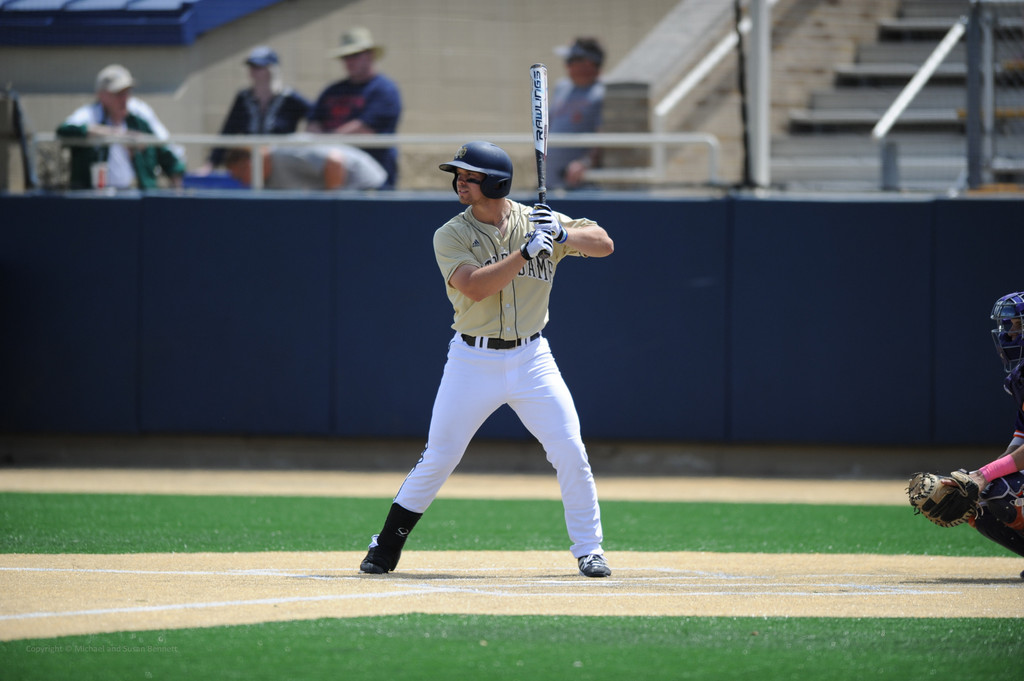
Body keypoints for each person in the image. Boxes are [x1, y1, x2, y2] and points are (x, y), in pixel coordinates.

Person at [358, 141, 615, 578]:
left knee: (570, 449)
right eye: (458, 175)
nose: (460, 182)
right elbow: (474, 286)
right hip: (472, 360)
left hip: (533, 357)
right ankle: (385, 545)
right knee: (440, 455)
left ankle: (589, 550)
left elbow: (605, 244)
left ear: (495, 182)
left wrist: (562, 233)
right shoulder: (451, 233)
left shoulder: (536, 221)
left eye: (470, 176)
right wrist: (525, 252)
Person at [950, 292, 1024, 570]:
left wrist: (984, 475)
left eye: (1016, 325)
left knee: (1005, 491)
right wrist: (975, 482)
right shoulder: (1020, 379)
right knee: (980, 504)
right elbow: (1020, 442)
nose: (1009, 334)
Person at [56, 64, 185, 190]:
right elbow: (64, 130)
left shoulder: (139, 119)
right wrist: (111, 133)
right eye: (118, 93)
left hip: (136, 197)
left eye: (127, 92)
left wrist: (177, 189)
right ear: (102, 95)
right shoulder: (90, 114)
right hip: (95, 197)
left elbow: (168, 155)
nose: (124, 98)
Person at [307, 27, 402, 189]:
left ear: (370, 55)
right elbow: (312, 125)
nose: (349, 61)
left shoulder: (385, 90)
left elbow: (364, 130)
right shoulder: (332, 90)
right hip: (330, 180)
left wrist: (325, 141)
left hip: (373, 182)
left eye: (355, 55)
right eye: (345, 57)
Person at [204, 46, 312, 170]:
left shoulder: (289, 97)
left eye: (259, 67)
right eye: (251, 67)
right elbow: (228, 131)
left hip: (281, 165)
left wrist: (310, 132)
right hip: (250, 164)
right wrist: (211, 164)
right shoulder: (243, 98)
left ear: (272, 69)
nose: (253, 71)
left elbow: (316, 115)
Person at [548, 37, 606, 190]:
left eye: (570, 61)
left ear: (588, 63)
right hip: (550, 182)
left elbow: (603, 137)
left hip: (580, 185)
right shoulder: (561, 87)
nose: (566, 66)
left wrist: (585, 163)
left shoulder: (602, 93)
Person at [222, 145, 387, 190]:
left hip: (369, 187)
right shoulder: (266, 182)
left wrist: (332, 209)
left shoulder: (287, 153)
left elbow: (334, 162)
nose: (242, 182)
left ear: (249, 164)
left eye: (239, 176)